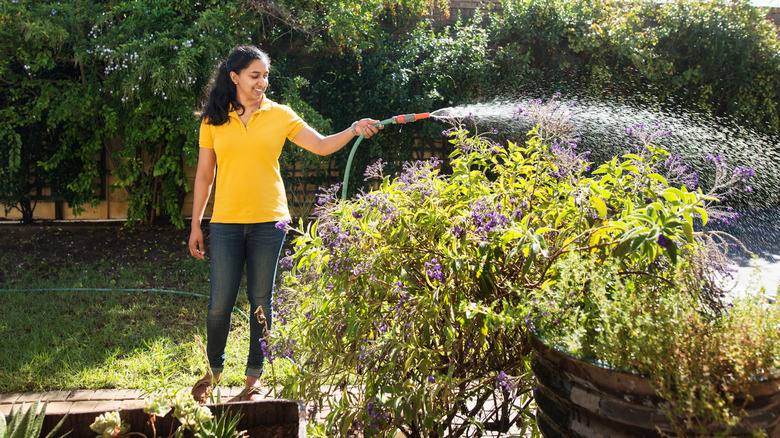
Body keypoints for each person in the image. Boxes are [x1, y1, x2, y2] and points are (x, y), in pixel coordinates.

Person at [188, 45, 382, 402]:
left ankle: (253, 379)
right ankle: (212, 373)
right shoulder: (213, 119)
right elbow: (204, 175)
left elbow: (322, 146)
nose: (262, 82)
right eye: (254, 75)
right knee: (219, 304)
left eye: (265, 76)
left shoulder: (280, 115)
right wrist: (196, 224)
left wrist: (353, 129)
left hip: (270, 222)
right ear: (234, 78)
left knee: (261, 300)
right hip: (227, 223)